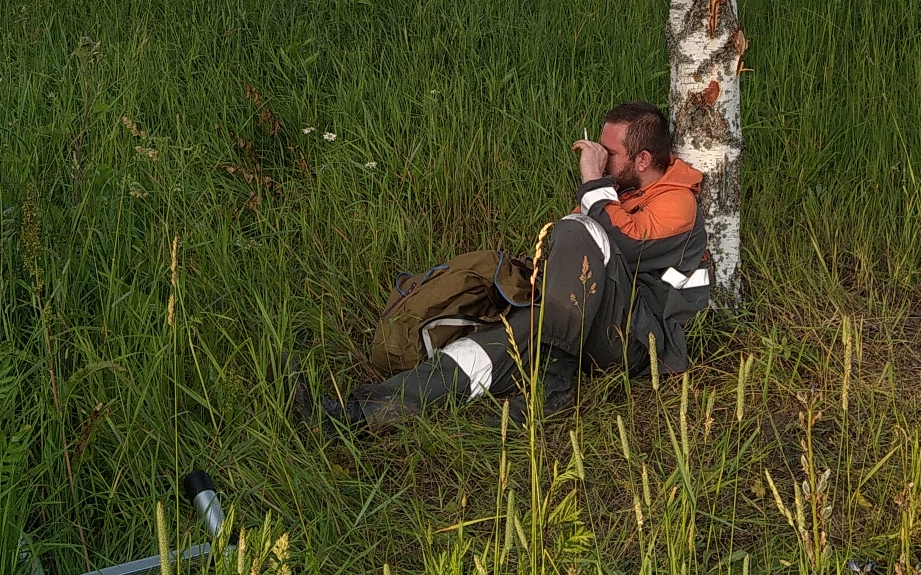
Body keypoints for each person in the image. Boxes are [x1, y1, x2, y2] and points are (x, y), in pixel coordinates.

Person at [300, 102, 714, 432]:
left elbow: (620, 241)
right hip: (589, 328)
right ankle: (356, 414)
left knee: (574, 228)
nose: (601, 160)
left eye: (610, 154)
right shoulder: (619, 192)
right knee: (488, 348)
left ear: (642, 159)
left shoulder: (678, 203)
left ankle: (553, 386)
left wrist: (591, 181)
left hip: (638, 343)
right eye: (599, 153)